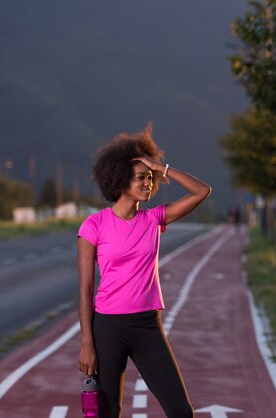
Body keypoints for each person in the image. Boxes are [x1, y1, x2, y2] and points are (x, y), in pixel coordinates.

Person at [76, 125, 211, 418]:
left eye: (150, 179)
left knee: (180, 411)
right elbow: (86, 289)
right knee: (108, 413)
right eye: (141, 177)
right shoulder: (93, 226)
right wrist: (87, 342)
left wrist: (161, 168)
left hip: (147, 325)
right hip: (107, 327)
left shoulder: (154, 219)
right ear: (120, 179)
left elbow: (202, 191)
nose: (148, 183)